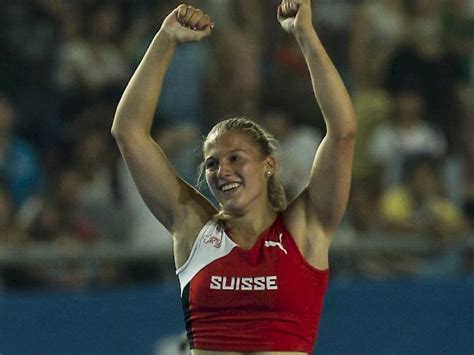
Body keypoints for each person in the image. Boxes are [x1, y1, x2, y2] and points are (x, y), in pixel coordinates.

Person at [111, 0, 356, 353]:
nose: (222, 171)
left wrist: (306, 36)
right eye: (211, 164)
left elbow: (342, 132)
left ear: (269, 165)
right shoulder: (193, 226)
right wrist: (165, 39)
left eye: (235, 158)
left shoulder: (306, 229)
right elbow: (129, 132)